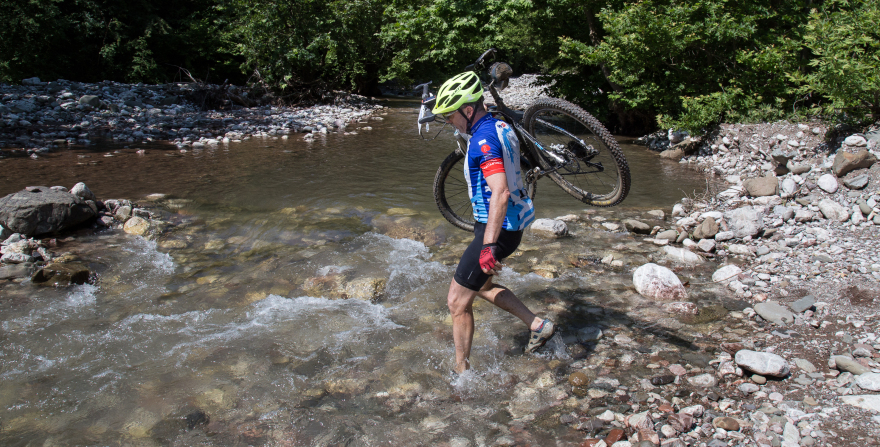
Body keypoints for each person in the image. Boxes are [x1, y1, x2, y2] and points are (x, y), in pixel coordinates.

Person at [431, 72, 555, 374]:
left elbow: (500, 192)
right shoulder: (499, 123)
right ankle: (537, 325)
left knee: (457, 303)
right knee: (482, 286)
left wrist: (487, 246)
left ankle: (462, 375)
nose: (450, 122)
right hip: (507, 227)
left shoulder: (483, 141)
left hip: (497, 231)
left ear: (468, 110)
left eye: (451, 115)